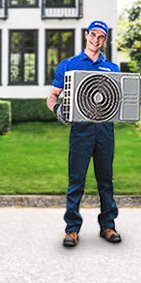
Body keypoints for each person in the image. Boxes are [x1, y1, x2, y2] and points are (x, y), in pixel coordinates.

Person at [47, 21, 122, 248]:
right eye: (93, 35)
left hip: (104, 129)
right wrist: (58, 109)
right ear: (86, 35)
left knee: (105, 180)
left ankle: (108, 226)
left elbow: (116, 101)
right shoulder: (69, 65)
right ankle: (72, 230)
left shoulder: (113, 69)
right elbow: (52, 97)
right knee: (76, 181)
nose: (96, 40)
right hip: (80, 129)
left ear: (104, 40)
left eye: (101, 37)